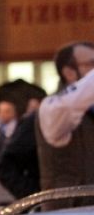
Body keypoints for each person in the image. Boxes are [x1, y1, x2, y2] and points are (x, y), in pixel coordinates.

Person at [36, 41, 94, 193]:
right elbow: (69, 105)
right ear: (69, 72)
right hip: (70, 205)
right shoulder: (52, 107)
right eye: (91, 64)